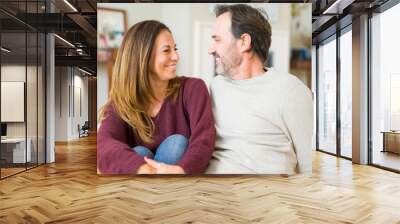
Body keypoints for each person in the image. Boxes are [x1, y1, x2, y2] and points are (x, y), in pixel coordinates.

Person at [206, 4, 313, 175]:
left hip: (265, 196)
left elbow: (309, 165)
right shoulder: (215, 86)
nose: (210, 49)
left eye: (217, 39)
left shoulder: (291, 91)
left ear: (244, 42)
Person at [97, 20, 215, 174]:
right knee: (139, 153)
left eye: (175, 49)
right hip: (142, 185)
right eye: (167, 50)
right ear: (143, 57)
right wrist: (143, 168)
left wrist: (179, 170)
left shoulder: (193, 88)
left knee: (176, 143)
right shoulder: (120, 103)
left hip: (177, 181)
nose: (176, 56)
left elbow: (204, 138)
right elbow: (104, 144)